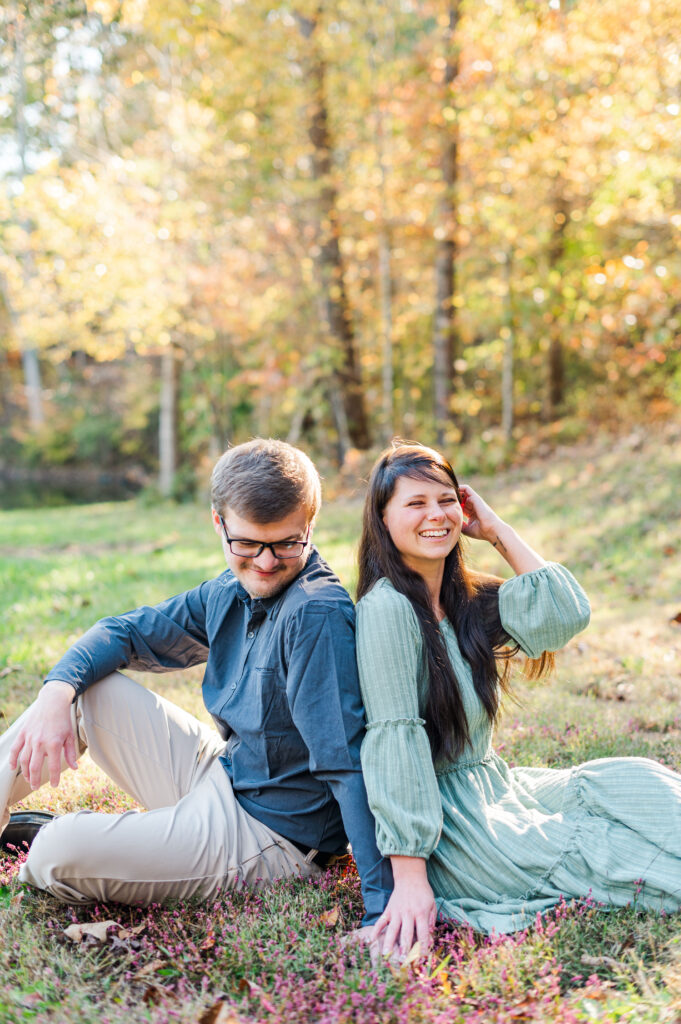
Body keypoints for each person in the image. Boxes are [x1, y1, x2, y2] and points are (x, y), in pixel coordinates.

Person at [0, 439, 392, 926]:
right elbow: (123, 633)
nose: (266, 563)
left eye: (288, 543)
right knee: (86, 690)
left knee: (52, 851)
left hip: (274, 838)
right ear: (218, 524)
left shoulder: (316, 615)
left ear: (309, 526)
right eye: (247, 543)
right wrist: (54, 692)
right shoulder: (229, 590)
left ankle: (82, 840)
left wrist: (382, 909)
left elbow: (346, 764)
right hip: (224, 775)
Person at [355, 440, 681, 956]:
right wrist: (411, 879)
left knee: (631, 781)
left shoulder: (460, 600)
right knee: (596, 848)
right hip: (455, 825)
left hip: (496, 788)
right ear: (383, 519)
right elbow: (396, 742)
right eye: (415, 504)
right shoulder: (388, 610)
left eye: (445, 500)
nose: (435, 515)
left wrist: (498, 532)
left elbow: (566, 611)